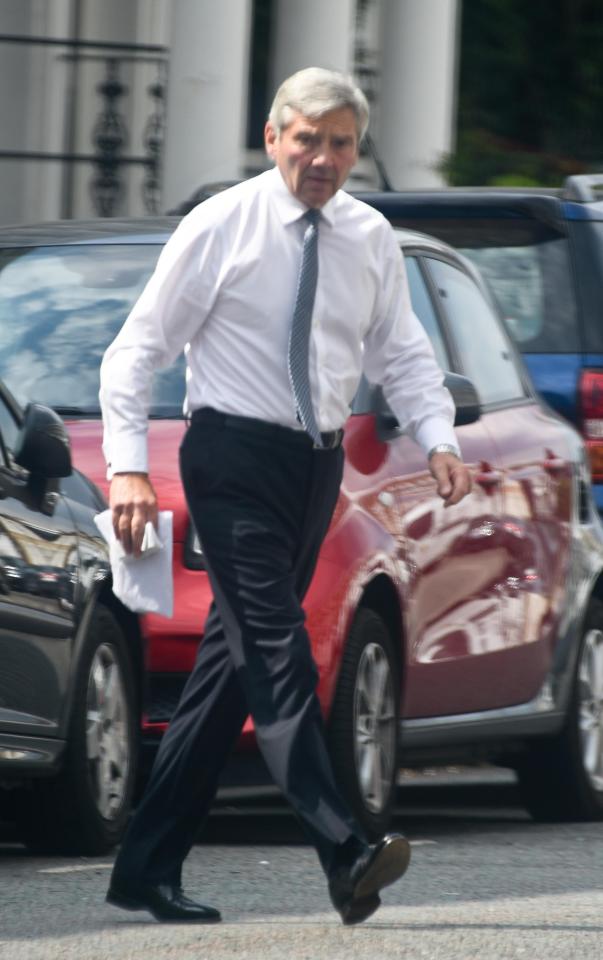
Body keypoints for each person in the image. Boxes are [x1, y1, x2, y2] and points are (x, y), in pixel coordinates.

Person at [100, 66, 471, 927]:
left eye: (340, 143)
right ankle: (344, 849)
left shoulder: (369, 237)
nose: (322, 158)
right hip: (230, 457)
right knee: (277, 649)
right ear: (272, 138)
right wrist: (124, 466)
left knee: (229, 674)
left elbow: (403, 353)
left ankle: (145, 867)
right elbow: (135, 351)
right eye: (306, 139)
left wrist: (440, 438)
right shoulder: (221, 225)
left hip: (314, 467)